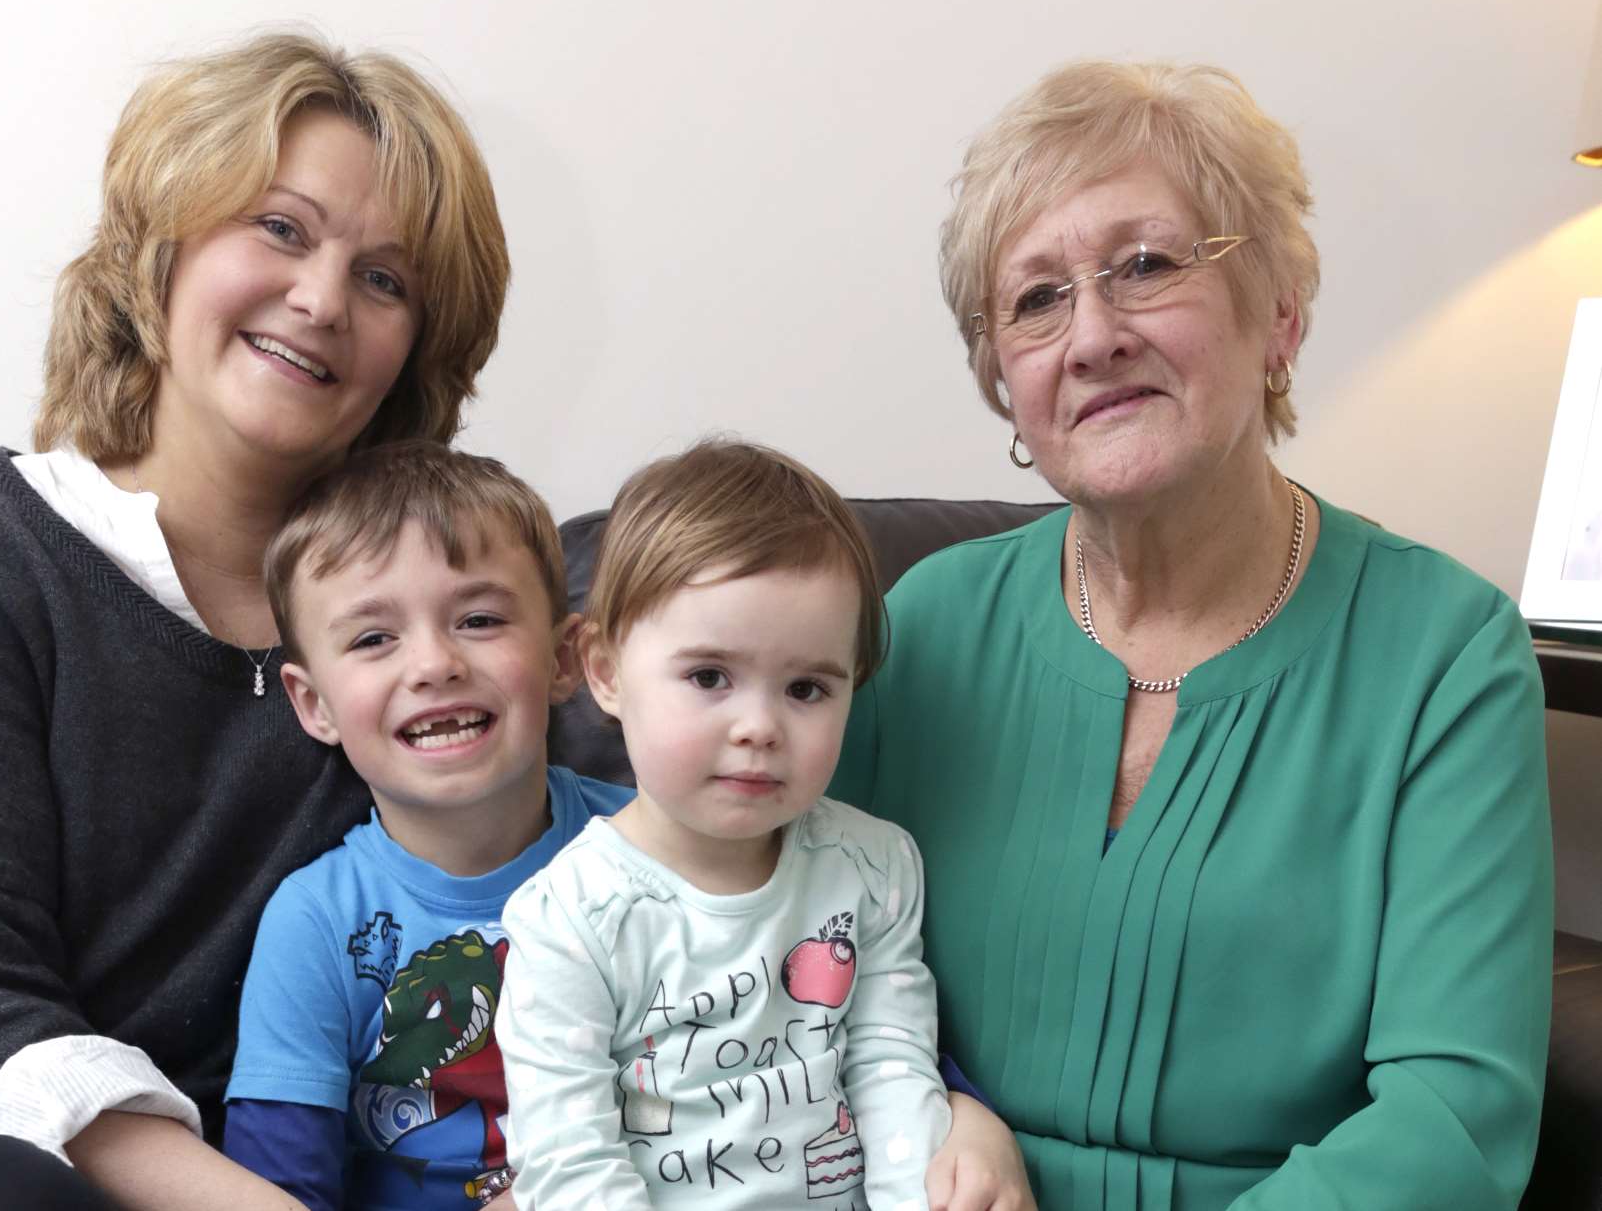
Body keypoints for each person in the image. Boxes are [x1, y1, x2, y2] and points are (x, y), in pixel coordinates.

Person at [0, 32, 510, 1211]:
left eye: (385, 279)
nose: (322, 298)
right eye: (281, 228)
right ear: (163, 250)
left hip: (239, 1163)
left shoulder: (422, 630)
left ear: (412, 353)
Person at [832, 60, 1553, 1209]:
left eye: (1147, 265)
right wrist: (945, 1108)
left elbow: (1454, 1119)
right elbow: (785, 956)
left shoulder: (1444, 654)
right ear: (1003, 383)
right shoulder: (918, 629)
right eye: (1034, 299)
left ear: (1277, 313)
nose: (1093, 335)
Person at [496, 440, 1032, 1211]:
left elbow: (890, 1068)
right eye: (709, 676)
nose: (760, 725)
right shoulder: (569, 918)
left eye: (807, 688)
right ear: (605, 670)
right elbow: (571, 1163)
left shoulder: (871, 867)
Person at [219, 441, 631, 1209]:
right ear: (315, 705)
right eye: (375, 638)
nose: (434, 663)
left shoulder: (653, 852)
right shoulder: (316, 923)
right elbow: (283, 1187)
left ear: (566, 658)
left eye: (478, 618)